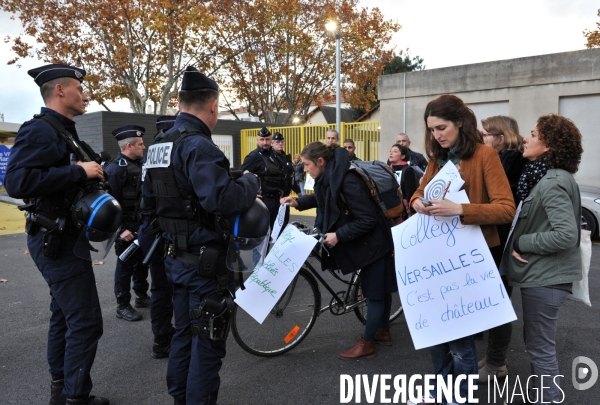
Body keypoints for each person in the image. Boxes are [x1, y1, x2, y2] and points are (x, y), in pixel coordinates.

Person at [145, 66, 260, 405]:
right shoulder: (199, 146)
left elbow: (149, 205)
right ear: (212, 106)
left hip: (174, 259)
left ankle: (179, 397)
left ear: (180, 103)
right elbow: (222, 200)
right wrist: (249, 183)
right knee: (207, 341)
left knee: (183, 334)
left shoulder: (158, 146)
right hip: (204, 265)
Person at [5, 64, 109, 404]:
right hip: (55, 240)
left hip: (64, 238)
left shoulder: (63, 131)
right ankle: (75, 397)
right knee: (86, 322)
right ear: (61, 91)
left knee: (65, 316)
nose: (85, 94)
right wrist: (77, 170)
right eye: (80, 88)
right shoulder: (39, 130)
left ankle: (61, 391)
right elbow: (18, 183)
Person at [408, 95, 515, 405]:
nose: (436, 135)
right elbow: (421, 189)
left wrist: (460, 209)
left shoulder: (485, 155)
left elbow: (506, 209)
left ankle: (460, 397)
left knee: (459, 334)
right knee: (437, 331)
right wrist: (416, 201)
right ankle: (440, 391)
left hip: (472, 257)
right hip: (437, 255)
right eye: (431, 130)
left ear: (460, 123)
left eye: (441, 127)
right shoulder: (437, 157)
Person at [281, 142, 397, 360]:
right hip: (365, 241)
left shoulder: (347, 180)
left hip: (374, 241)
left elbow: (368, 219)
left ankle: (368, 343)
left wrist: (339, 235)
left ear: (321, 162)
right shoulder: (330, 176)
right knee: (379, 287)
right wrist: (298, 202)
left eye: (307, 165)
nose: (305, 169)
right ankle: (383, 331)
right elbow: (325, 198)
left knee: (375, 292)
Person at [501, 114, 583, 405]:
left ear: (548, 144)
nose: (525, 137)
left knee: (540, 350)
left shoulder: (552, 181)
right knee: (537, 346)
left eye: (533, 134)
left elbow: (565, 236)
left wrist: (523, 241)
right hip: (543, 277)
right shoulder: (545, 176)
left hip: (547, 279)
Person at [477, 115, 528, 381]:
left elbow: (503, 208)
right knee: (493, 302)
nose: (481, 138)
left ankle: (497, 364)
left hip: (502, 244)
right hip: (498, 242)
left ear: (500, 137)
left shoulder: (509, 161)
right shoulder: (508, 159)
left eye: (485, 134)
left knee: (496, 304)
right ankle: (493, 358)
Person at [137, 115, 177, 359]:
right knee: (166, 287)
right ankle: (163, 339)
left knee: (161, 287)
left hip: (150, 228)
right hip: (163, 231)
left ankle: (163, 335)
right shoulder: (174, 152)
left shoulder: (152, 153)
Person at [104, 125, 150, 322]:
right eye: (140, 144)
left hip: (141, 226)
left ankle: (141, 296)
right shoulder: (114, 169)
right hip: (126, 229)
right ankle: (122, 305)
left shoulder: (140, 165)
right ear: (129, 146)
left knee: (142, 263)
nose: (144, 147)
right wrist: (120, 229)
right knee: (125, 266)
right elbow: (108, 203)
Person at [240, 127, 287, 229]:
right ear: (257, 140)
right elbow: (241, 174)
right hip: (264, 199)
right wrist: (252, 193)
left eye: (267, 139)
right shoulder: (253, 157)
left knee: (277, 230)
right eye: (262, 139)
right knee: (264, 229)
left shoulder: (275, 155)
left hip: (277, 199)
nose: (265, 142)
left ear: (271, 140)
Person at [388, 143, 418, 210]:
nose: (391, 153)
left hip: (403, 209)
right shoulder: (387, 170)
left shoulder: (408, 170)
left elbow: (410, 193)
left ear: (403, 156)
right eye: (390, 151)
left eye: (395, 151)